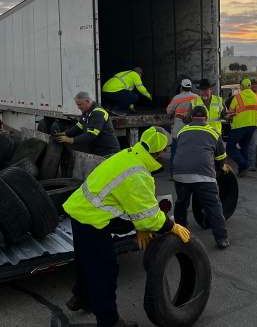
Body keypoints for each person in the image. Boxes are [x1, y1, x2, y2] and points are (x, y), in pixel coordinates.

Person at [63, 126, 191, 327]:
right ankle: (109, 321)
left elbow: (132, 201)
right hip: (92, 219)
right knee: (105, 269)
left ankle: (82, 298)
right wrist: (170, 226)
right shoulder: (138, 173)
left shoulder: (129, 153)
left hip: (80, 210)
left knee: (87, 262)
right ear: (160, 152)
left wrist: (140, 226)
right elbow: (149, 216)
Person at [172, 106, 229, 248]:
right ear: (206, 118)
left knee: (181, 204)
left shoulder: (182, 131)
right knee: (214, 206)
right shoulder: (213, 132)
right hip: (204, 175)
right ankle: (221, 239)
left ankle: (180, 235)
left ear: (191, 118)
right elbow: (221, 156)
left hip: (180, 174)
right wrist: (221, 166)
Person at [55, 92, 120, 159]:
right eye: (77, 105)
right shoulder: (86, 113)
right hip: (97, 152)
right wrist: (65, 134)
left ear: (87, 101)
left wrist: (71, 140)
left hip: (108, 153)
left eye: (80, 105)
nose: (78, 107)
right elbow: (78, 128)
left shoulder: (98, 113)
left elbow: (91, 135)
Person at [226, 78, 257, 177]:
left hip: (239, 126)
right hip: (252, 127)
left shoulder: (237, 97)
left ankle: (244, 165)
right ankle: (242, 170)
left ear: (242, 86)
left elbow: (231, 111)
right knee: (245, 147)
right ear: (249, 86)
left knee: (230, 147)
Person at [166, 79, 197, 180]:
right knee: (192, 151)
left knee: (175, 152)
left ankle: (172, 173)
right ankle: (191, 172)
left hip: (178, 131)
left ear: (181, 88)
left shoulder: (177, 98)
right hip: (192, 130)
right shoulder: (196, 98)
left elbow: (169, 111)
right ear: (191, 88)